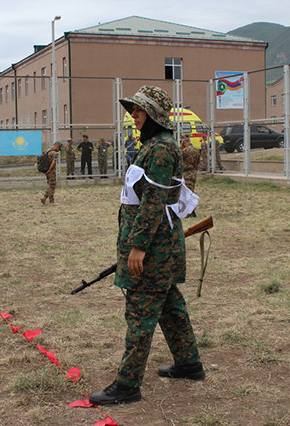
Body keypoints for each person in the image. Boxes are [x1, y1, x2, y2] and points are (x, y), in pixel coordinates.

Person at [89, 86, 203, 406]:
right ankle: (189, 363)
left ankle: (127, 384)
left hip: (155, 248)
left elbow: (153, 202)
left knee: (140, 313)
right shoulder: (152, 146)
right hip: (158, 244)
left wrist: (137, 247)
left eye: (138, 111)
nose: (133, 115)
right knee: (169, 307)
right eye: (133, 110)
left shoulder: (162, 150)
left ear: (153, 114)